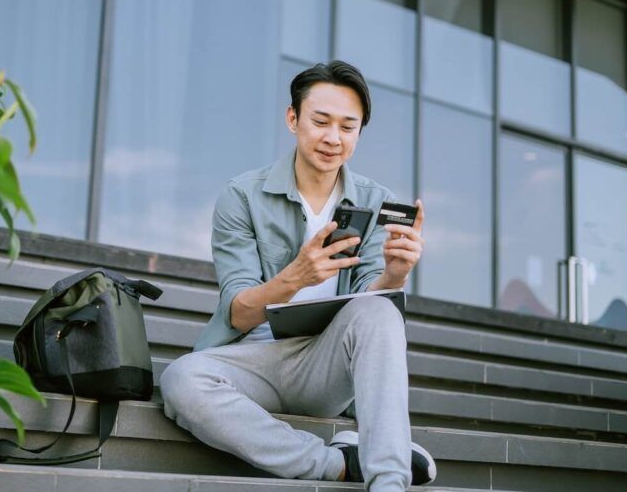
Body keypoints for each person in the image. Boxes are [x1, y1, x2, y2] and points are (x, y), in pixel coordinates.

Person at [160, 61, 436, 491]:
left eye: (348, 127)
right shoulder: (243, 196)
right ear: (293, 119)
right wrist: (296, 277)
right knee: (181, 378)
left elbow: (367, 303)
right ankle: (338, 464)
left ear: (359, 133)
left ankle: (389, 480)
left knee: (381, 311)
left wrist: (395, 275)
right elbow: (238, 314)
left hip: (326, 366)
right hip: (257, 360)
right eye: (320, 121)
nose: (333, 138)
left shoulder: (375, 200)